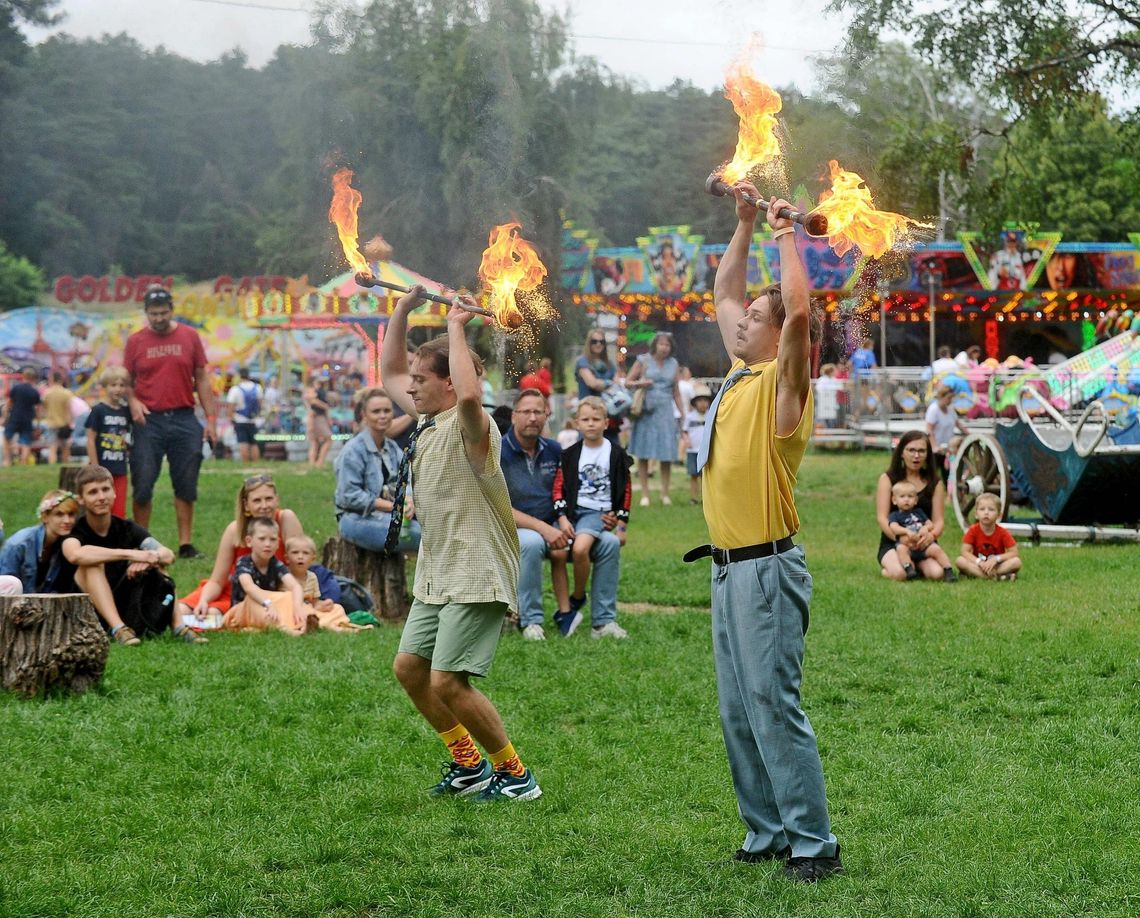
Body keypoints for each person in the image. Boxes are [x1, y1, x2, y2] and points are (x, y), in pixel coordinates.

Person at [692, 181, 841, 881]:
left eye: (757, 316)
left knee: (773, 706)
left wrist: (788, 235)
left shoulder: (785, 388)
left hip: (766, 571)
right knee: (736, 710)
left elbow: (800, 310)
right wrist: (746, 221)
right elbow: (724, 291)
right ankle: (766, 833)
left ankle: (815, 845)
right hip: (725, 568)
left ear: (776, 335)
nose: (742, 319)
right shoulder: (739, 374)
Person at [380, 283, 539, 803]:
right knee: (410, 668)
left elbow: (471, 393)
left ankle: (516, 776)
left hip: (477, 567)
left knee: (449, 681)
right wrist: (404, 309)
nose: (412, 387)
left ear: (447, 384)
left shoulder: (475, 425)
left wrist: (454, 326)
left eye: (423, 380)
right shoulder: (429, 418)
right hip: (438, 568)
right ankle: (468, 764)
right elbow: (389, 374)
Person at [124, 284, 217, 560]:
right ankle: (142, 540)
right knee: (142, 482)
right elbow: (126, 381)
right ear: (146, 313)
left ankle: (186, 544)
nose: (159, 318)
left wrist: (210, 418)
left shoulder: (189, 336)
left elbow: (201, 378)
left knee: (186, 482)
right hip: (147, 420)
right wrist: (133, 401)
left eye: (163, 313)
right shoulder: (136, 341)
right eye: (153, 314)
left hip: (184, 416)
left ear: (171, 310)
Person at [61, 465, 203, 645]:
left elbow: (167, 554)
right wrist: (133, 555)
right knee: (91, 565)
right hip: (85, 609)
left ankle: (179, 627)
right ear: (81, 499)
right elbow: (75, 555)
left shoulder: (127, 528)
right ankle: (118, 629)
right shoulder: (75, 531)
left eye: (106, 489)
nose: (101, 497)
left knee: (159, 565)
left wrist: (151, 559)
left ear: (114, 493)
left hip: (125, 601)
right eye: (93, 492)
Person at [500, 388, 584, 642]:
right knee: (533, 542)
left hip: (554, 524)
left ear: (547, 415)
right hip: (512, 527)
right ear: (514, 416)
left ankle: (602, 619)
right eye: (526, 412)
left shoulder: (555, 450)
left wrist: (569, 522)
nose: (533, 418)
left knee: (607, 544)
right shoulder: (498, 452)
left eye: (538, 411)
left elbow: (569, 492)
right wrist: (544, 529)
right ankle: (532, 620)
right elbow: (498, 506)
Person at [175, 473, 303, 624]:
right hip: (233, 590)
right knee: (181, 610)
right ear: (246, 505)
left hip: (272, 591)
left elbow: (301, 568)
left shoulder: (285, 518)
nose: (264, 506)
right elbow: (217, 581)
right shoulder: (235, 529)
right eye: (257, 500)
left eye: (268, 499)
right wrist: (203, 599)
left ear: (277, 499)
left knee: (212, 614)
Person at [553, 396, 631, 639]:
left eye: (596, 419)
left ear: (606, 423)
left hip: (598, 513)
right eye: (585, 419)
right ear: (576, 423)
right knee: (560, 551)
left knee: (580, 549)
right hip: (573, 513)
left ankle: (578, 597)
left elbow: (625, 489)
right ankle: (583, 609)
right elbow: (558, 487)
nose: (590, 424)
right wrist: (562, 517)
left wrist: (622, 526)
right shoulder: (570, 455)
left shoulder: (616, 454)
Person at [334, 387, 421, 553]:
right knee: (421, 536)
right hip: (355, 518)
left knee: (430, 530)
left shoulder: (392, 448)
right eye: (376, 411)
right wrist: (394, 506)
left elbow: (406, 481)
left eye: (387, 410)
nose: (383, 416)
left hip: (386, 516)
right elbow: (350, 496)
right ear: (364, 416)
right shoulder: (353, 451)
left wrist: (409, 500)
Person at [222, 516, 314, 635]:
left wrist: (297, 606)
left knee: (289, 597)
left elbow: (295, 586)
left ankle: (304, 621)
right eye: (262, 539)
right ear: (249, 541)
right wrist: (268, 603)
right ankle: (287, 630)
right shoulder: (244, 562)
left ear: (278, 544)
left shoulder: (275, 564)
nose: (267, 544)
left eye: (272, 539)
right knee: (255, 604)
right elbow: (249, 587)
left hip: (270, 607)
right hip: (245, 609)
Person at [876, 431, 948, 581]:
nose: (916, 456)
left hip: (924, 542)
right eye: (911, 450)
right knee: (899, 574)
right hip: (894, 542)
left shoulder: (935, 483)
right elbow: (882, 518)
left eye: (921, 451)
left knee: (937, 574)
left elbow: (939, 521)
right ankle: (893, 567)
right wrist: (899, 538)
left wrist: (931, 536)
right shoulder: (888, 479)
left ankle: (917, 565)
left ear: (928, 454)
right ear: (901, 452)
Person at [626, 332, 685, 506]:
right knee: (644, 452)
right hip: (645, 409)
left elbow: (676, 392)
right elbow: (627, 382)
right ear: (655, 345)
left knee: (666, 452)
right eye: (661, 344)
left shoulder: (673, 364)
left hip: (665, 410)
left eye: (667, 345)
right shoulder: (643, 360)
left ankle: (665, 493)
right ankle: (645, 494)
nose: (664, 348)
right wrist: (640, 384)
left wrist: (682, 412)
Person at [0, 490, 81, 595]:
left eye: (71, 514)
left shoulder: (66, 543)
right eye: (59, 514)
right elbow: (6, 591)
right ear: (45, 517)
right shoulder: (20, 544)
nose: (67, 520)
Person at [283, 534, 361, 631]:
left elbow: (315, 601)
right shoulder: (284, 577)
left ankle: (320, 623)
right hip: (291, 611)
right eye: (295, 552)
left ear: (312, 558)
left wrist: (323, 605)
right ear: (286, 558)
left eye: (305, 553)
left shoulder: (312, 577)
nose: (300, 556)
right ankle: (317, 624)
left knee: (337, 608)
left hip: (311, 610)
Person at [85, 365, 132, 518]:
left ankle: (117, 541)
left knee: (119, 511)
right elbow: (90, 438)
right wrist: (95, 465)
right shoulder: (99, 410)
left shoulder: (126, 411)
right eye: (113, 385)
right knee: (100, 508)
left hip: (120, 468)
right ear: (105, 386)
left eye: (122, 385)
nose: (117, 389)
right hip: (102, 468)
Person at [887, 481, 957, 581]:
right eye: (902, 496)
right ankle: (909, 568)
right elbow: (894, 528)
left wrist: (925, 528)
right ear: (894, 500)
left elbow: (930, 524)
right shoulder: (894, 515)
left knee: (936, 549)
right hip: (908, 546)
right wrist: (906, 531)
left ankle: (948, 570)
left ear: (915, 500)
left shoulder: (919, 512)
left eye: (910, 496)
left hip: (924, 545)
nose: (906, 499)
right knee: (900, 549)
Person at [956, 492, 1022, 580]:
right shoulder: (973, 530)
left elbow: (1014, 552)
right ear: (976, 514)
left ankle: (981, 575)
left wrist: (997, 559)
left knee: (1016, 562)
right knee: (960, 561)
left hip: (997, 566)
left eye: (991, 509)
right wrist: (979, 562)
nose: (986, 513)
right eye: (982, 509)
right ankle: (997, 577)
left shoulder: (1003, 532)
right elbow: (964, 552)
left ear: (999, 515)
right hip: (978, 565)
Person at [574, 329, 620, 444]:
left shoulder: (610, 364)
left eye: (601, 341)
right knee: (585, 452)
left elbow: (618, 384)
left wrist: (604, 384)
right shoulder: (582, 362)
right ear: (589, 343)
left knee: (613, 453)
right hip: (589, 413)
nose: (598, 344)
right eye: (594, 341)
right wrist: (609, 384)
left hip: (609, 414)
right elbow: (592, 383)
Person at [925, 385, 966, 483]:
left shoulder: (950, 409)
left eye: (952, 398)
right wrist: (934, 446)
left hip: (948, 447)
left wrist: (969, 434)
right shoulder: (933, 410)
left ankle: (948, 490)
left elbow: (958, 424)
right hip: (937, 448)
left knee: (947, 471)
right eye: (948, 398)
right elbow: (929, 430)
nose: (950, 400)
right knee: (933, 471)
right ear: (941, 397)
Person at [2, 367, 42, 466]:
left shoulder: (16, 388)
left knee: (7, 438)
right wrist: (37, 424)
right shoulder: (35, 392)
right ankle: (24, 463)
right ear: (33, 378)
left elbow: (9, 403)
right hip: (27, 419)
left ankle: (7, 461)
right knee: (25, 443)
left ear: (23, 376)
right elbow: (38, 409)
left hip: (15, 417)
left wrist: (5, 416)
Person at [681, 385, 712, 504]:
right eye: (699, 401)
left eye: (705, 400)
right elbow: (684, 431)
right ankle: (693, 498)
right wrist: (686, 440)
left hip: (706, 450)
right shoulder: (690, 416)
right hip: (693, 450)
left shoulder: (711, 415)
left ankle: (706, 498)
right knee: (694, 475)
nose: (702, 403)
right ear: (695, 403)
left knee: (706, 476)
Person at [226, 367, 263, 463]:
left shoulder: (235, 389)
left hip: (240, 419)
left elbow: (231, 406)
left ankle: (245, 464)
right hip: (253, 420)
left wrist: (230, 418)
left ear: (239, 376)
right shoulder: (257, 387)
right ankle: (255, 463)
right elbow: (260, 404)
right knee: (254, 443)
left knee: (243, 442)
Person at [42, 371, 75, 465]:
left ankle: (52, 466)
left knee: (52, 447)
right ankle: (66, 466)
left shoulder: (47, 393)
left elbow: (45, 407)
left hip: (51, 422)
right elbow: (69, 410)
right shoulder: (67, 393)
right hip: (64, 423)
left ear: (52, 379)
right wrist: (70, 423)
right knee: (65, 448)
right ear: (61, 380)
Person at [304, 372, 333, 467]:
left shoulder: (318, 390)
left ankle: (313, 464)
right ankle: (319, 462)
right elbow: (312, 401)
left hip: (315, 417)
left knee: (315, 442)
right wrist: (325, 406)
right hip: (316, 417)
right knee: (327, 439)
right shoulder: (313, 390)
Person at [813, 363, 843, 429]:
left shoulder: (834, 380)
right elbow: (819, 389)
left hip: (832, 403)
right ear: (830, 371)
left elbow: (840, 387)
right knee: (822, 419)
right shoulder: (822, 379)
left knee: (832, 419)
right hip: (823, 403)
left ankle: (830, 433)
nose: (836, 372)